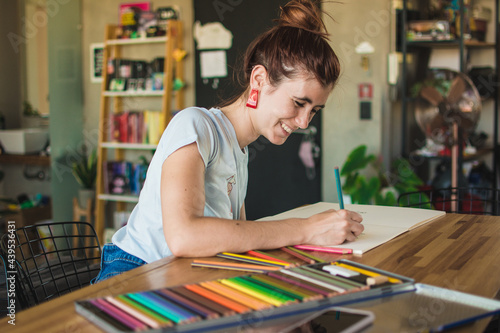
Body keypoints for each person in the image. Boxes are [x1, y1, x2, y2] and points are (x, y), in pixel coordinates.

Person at [92, 0, 363, 284]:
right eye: (298, 103)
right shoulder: (195, 125)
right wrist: (305, 229)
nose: (304, 122)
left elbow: (236, 237)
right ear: (259, 79)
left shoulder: (239, 150)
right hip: (136, 272)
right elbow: (184, 237)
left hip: (182, 277)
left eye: (314, 110)